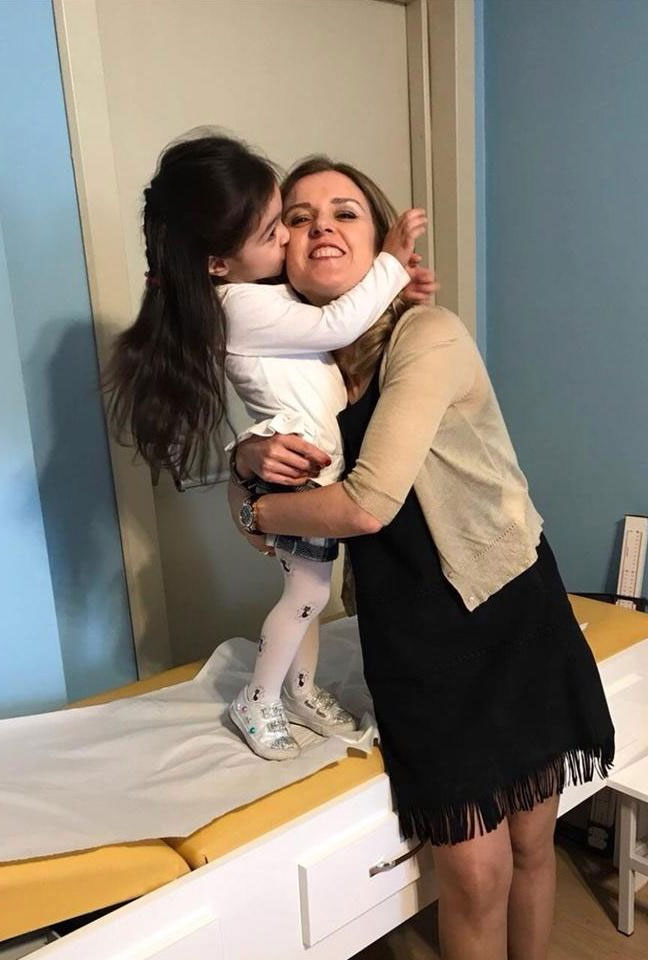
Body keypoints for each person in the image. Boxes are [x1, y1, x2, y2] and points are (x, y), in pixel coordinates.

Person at [229, 155, 615, 960]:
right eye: (297, 217)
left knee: (531, 846)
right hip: (413, 631)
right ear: (278, 249)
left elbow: (365, 502)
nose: (320, 227)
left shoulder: (426, 334)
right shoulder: (299, 364)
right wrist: (244, 463)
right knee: (473, 875)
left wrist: (255, 508)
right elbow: (261, 450)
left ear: (380, 243)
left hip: (506, 606)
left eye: (344, 211)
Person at [103, 132, 430, 762]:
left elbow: (341, 320)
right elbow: (337, 323)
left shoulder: (263, 295)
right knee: (306, 596)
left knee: (308, 593)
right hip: (296, 477)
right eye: (275, 230)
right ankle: (259, 698)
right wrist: (390, 262)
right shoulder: (238, 306)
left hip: (309, 471)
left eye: (283, 221)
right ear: (217, 265)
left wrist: (399, 289)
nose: (287, 239)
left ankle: (299, 690)